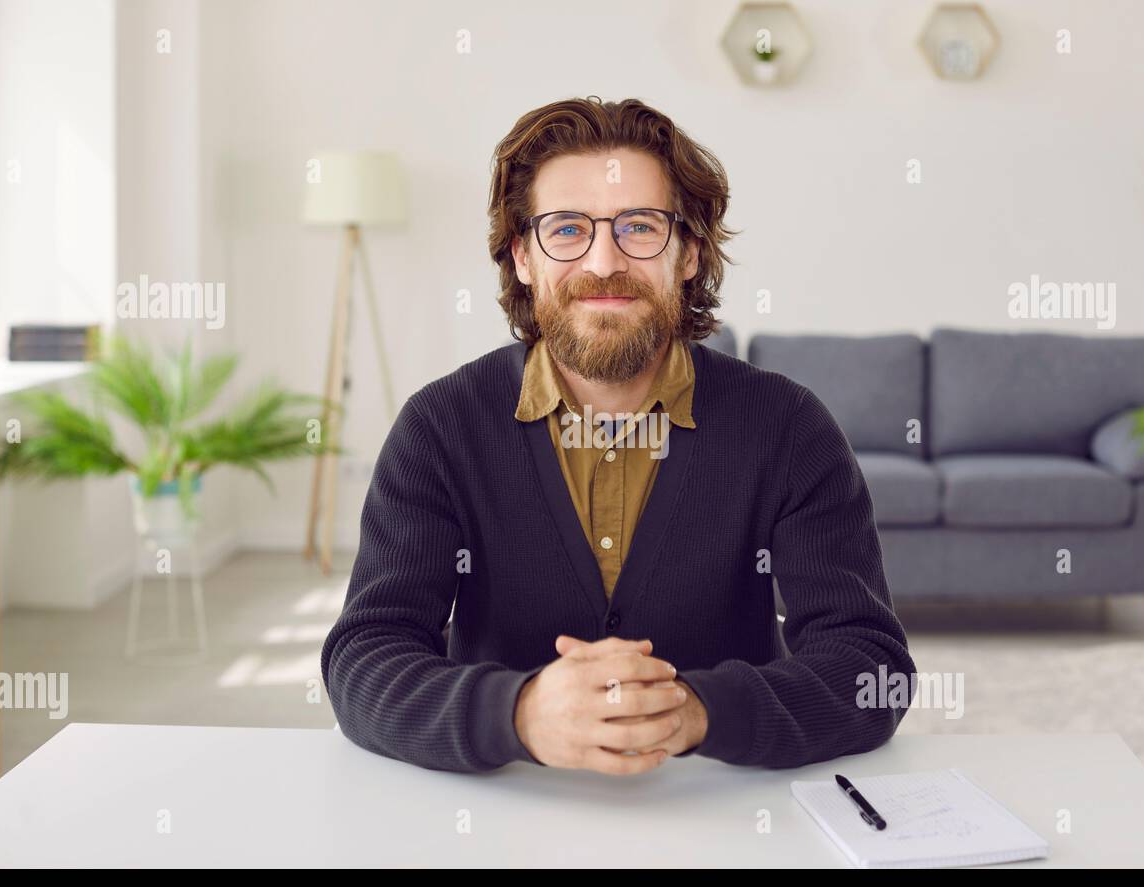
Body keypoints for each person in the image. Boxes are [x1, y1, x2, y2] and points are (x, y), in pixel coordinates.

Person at [321, 96, 915, 775]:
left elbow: (873, 670)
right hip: (500, 812)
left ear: (689, 253)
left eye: (639, 226)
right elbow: (364, 661)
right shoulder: (438, 429)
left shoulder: (787, 427)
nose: (604, 262)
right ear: (521, 257)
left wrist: (695, 710)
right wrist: (516, 712)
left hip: (727, 813)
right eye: (567, 229)